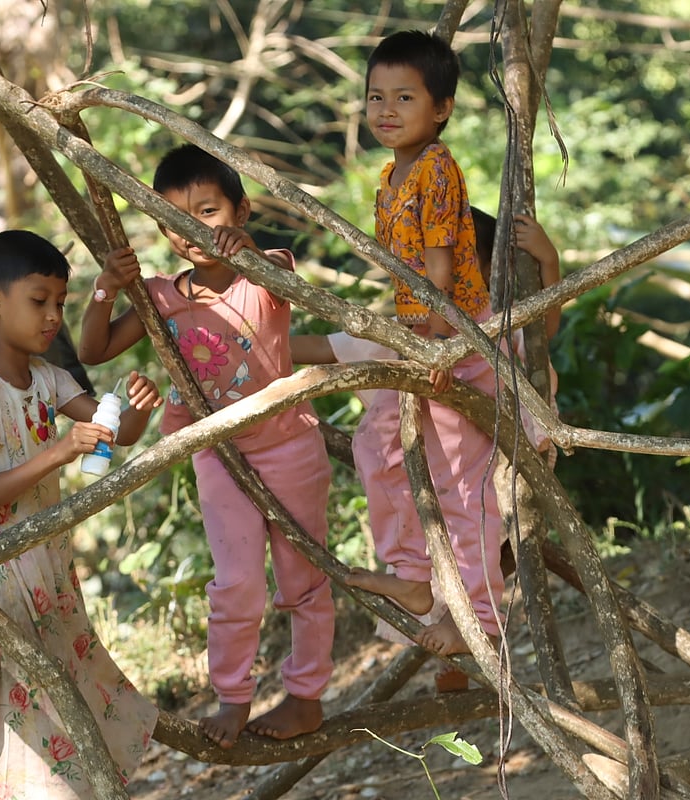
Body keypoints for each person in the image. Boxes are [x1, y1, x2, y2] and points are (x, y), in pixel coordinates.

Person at [79, 144, 335, 749]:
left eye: (209, 212)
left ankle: (305, 698)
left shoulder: (267, 272)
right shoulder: (160, 295)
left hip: (288, 446)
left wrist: (248, 253)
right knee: (237, 582)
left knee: (304, 577)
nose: (191, 230)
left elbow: (278, 272)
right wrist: (105, 290)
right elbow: (93, 352)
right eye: (172, 220)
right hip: (216, 454)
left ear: (241, 211)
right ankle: (234, 697)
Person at [291, 209, 561, 682]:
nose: (442, 282)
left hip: (495, 462)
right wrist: (245, 347)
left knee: (469, 515)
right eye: (425, 269)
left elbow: (544, 330)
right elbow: (321, 348)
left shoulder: (492, 326)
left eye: (460, 268)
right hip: (429, 482)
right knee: (375, 451)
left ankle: (478, 623)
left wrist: (548, 259)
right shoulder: (409, 332)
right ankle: (419, 587)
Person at [0, 229, 164, 799]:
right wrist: (61, 450)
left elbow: (110, 435)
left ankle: (74, 787)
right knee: (27, 689)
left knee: (64, 675)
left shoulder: (49, 379)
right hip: (3, 570)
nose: (51, 317)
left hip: (48, 562)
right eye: (38, 301)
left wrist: (133, 411)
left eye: (60, 304)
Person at [327, 29, 507, 664]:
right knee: (379, 448)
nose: (386, 111)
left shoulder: (435, 169)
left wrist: (432, 347)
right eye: (376, 96)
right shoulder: (390, 172)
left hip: (452, 334)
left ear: (442, 109)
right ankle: (413, 576)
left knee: (462, 487)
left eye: (405, 98)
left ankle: (479, 619)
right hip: (418, 335)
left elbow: (436, 268)